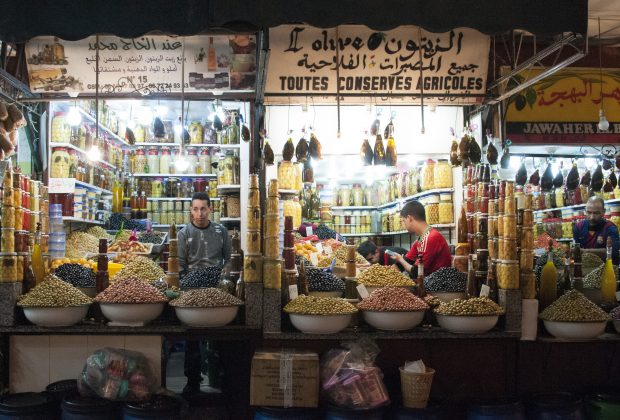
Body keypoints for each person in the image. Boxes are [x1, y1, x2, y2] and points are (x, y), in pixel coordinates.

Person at [391, 200, 452, 276]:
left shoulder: (430, 238)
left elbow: (416, 272)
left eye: (403, 221)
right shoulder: (420, 240)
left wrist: (400, 259)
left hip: (438, 285)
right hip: (428, 283)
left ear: (409, 218)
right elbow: (406, 261)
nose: (403, 224)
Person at [178, 192, 231, 276]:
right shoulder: (184, 233)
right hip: (192, 282)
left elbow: (229, 259)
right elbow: (180, 263)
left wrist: (224, 275)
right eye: (195, 209)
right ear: (191, 210)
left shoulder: (221, 231)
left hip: (217, 281)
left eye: (203, 209)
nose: (200, 214)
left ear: (210, 209)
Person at [573, 196, 619, 264]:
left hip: (607, 269)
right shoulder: (579, 227)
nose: (592, 217)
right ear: (585, 211)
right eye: (589, 212)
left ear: (604, 212)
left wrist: (585, 251)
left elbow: (613, 253)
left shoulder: (610, 228)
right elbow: (576, 252)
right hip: (585, 268)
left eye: (596, 213)